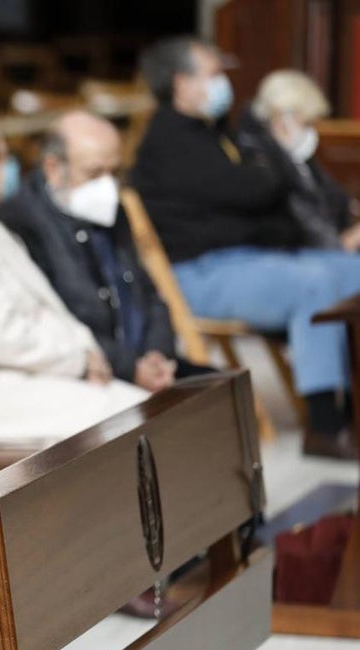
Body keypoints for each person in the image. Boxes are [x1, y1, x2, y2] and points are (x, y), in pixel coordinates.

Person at [131, 37, 360, 458]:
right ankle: (327, 425)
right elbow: (254, 192)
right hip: (202, 273)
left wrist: (267, 197)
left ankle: (354, 402)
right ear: (182, 83)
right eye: (214, 74)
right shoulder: (168, 140)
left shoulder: (215, 132)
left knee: (352, 270)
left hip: (251, 261)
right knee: (314, 284)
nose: (224, 82)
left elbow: (262, 201)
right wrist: (268, 191)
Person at [0, 100, 148, 449]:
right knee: (131, 416)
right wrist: (78, 361)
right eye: (4, 156)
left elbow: (44, 308)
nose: (12, 165)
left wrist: (86, 349)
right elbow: (4, 336)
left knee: (141, 408)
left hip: (19, 377)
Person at [0, 111, 206, 392]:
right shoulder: (23, 224)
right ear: (53, 168)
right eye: (94, 173)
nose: (107, 186)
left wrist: (158, 353)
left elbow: (148, 294)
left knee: (225, 392)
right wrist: (130, 367)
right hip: (90, 377)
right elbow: (57, 324)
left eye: (115, 172)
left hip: (146, 365)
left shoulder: (111, 210)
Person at [238, 69, 360, 252]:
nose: (311, 132)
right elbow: (310, 236)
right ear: (282, 119)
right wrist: (352, 239)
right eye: (307, 123)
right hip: (300, 259)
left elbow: (335, 203)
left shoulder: (299, 159)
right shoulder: (263, 165)